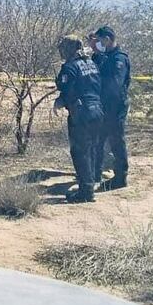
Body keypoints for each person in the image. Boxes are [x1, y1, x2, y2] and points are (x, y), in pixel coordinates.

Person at [53, 34, 103, 204]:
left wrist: (60, 102)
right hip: (98, 111)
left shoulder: (70, 67)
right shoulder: (91, 63)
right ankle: (92, 182)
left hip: (82, 113)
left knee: (80, 152)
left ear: (69, 48)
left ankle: (86, 192)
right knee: (92, 149)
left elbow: (65, 88)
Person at [89, 26, 131, 189]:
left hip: (115, 106)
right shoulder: (105, 57)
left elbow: (114, 84)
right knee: (98, 140)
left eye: (99, 41)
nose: (98, 44)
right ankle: (95, 174)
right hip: (104, 106)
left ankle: (120, 177)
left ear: (107, 39)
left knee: (116, 141)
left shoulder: (118, 59)